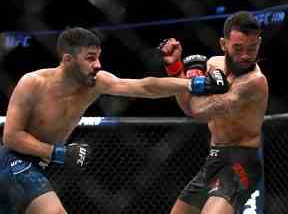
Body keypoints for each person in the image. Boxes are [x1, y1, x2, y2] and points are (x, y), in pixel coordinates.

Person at [0, 27, 229, 214]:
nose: (97, 65)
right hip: (12, 161)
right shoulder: (33, 83)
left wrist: (195, 83)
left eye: (98, 57)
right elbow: (11, 136)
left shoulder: (96, 83)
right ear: (68, 59)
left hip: (41, 165)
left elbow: (144, 86)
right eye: (90, 59)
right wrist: (58, 153)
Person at [159, 11, 268, 214]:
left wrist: (194, 84)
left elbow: (199, 111)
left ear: (259, 42)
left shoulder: (254, 82)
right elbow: (188, 109)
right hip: (214, 159)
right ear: (223, 44)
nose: (246, 55)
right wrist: (175, 69)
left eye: (252, 48)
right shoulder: (213, 64)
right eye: (238, 47)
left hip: (241, 161)